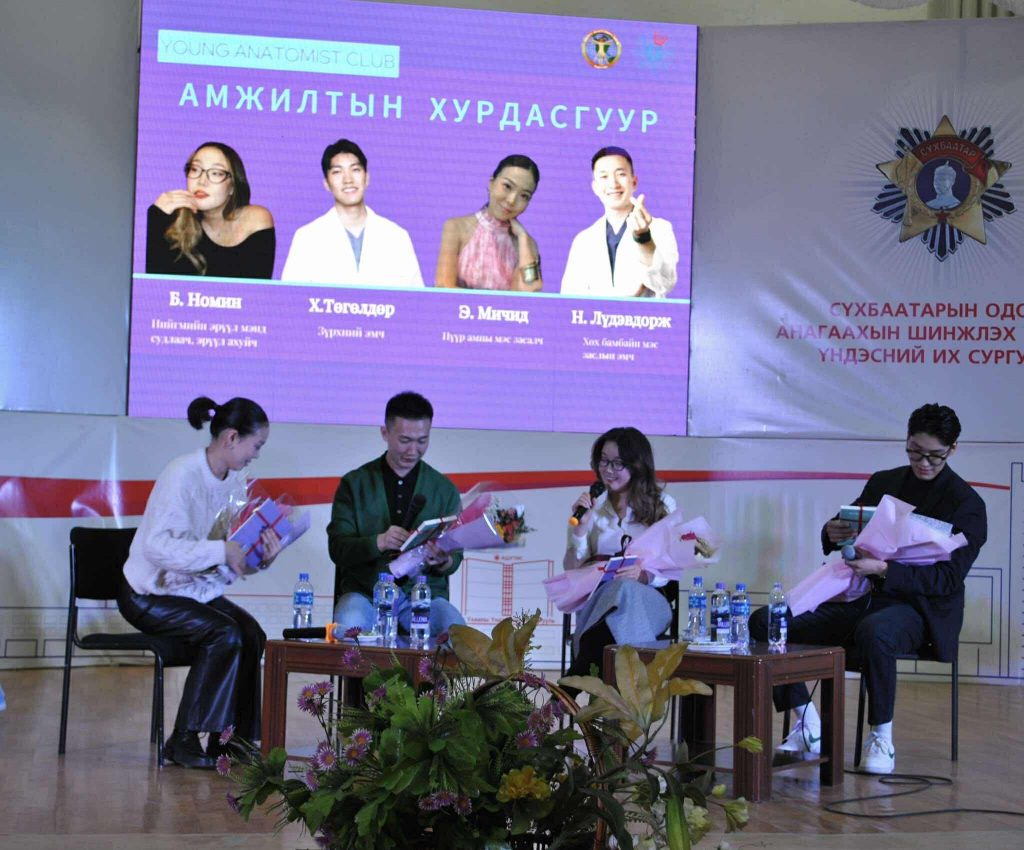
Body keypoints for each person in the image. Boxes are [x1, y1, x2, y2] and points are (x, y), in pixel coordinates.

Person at [749, 403, 986, 775]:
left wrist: (886, 570)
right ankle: (807, 723)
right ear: (906, 441)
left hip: (919, 610)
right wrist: (832, 531)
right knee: (767, 621)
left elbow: (947, 579)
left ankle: (881, 738)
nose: (923, 463)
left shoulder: (967, 504)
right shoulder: (884, 482)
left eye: (935, 456)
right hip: (859, 596)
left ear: (953, 449)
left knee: (876, 632)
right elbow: (851, 522)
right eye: (915, 452)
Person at [118, 396, 281, 768]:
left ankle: (231, 740)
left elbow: (228, 554)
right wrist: (222, 551)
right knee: (225, 634)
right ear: (231, 437)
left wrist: (261, 556)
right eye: (256, 446)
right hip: (147, 593)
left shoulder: (235, 481)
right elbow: (158, 547)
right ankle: (184, 740)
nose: (256, 455)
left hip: (190, 591)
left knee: (252, 633)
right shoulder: (182, 474)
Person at [327, 391, 465, 635]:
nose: (413, 450)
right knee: (349, 626)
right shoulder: (355, 483)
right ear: (385, 433)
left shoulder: (444, 489)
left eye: (422, 441)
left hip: (422, 596)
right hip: (366, 594)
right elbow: (337, 549)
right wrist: (378, 542)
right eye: (405, 440)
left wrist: (443, 560)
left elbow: (455, 557)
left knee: (458, 632)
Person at [561, 427, 677, 687]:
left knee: (625, 589)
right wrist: (580, 530)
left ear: (637, 465)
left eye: (617, 463)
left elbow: (672, 566)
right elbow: (571, 571)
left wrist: (643, 575)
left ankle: (577, 677)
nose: (608, 470)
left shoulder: (663, 505)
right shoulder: (590, 510)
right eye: (603, 461)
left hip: (650, 603)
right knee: (619, 595)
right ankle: (630, 694)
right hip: (598, 603)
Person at [281, 139, 423, 286]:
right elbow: (291, 296)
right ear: (326, 184)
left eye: (355, 170)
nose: (348, 180)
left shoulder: (397, 236)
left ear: (367, 178)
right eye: (337, 172)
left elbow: (415, 296)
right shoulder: (307, 238)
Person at [560, 146, 678, 298]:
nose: (613, 184)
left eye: (621, 174)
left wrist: (644, 238)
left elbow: (664, 284)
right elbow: (569, 297)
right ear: (595, 187)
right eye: (604, 176)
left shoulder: (660, 228)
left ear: (634, 182)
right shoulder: (583, 240)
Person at [146, 142, 275, 278]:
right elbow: (155, 285)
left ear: (232, 187)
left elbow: (256, 288)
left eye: (216, 173)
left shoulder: (255, 220)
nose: (202, 181)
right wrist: (155, 217)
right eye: (195, 169)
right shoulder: (172, 222)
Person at [435, 155, 543, 291]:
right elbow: (443, 287)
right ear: (491, 183)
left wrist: (522, 237)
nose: (511, 200)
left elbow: (531, 291)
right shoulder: (456, 227)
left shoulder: (527, 244)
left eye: (524, 196)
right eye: (507, 186)